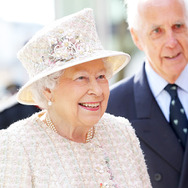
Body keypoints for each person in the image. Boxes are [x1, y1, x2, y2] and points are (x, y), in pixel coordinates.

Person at [0, 8, 151, 187]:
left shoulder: (122, 132)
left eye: (101, 76)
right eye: (81, 78)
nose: (97, 90)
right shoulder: (19, 144)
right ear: (48, 90)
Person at [107, 0, 188, 187]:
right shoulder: (111, 108)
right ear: (136, 38)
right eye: (157, 31)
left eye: (178, 26)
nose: (172, 42)